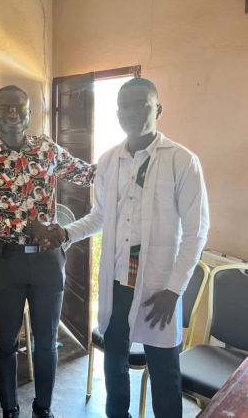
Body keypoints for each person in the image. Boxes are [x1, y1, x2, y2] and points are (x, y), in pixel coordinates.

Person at [42, 78, 210, 418]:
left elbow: (196, 232)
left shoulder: (182, 161)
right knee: (115, 362)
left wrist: (174, 291)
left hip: (159, 287)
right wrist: (65, 233)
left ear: (157, 109)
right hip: (118, 281)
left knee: (164, 370)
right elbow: (100, 216)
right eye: (124, 106)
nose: (131, 112)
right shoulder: (108, 161)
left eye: (141, 104)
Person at [0, 85, 97, 418]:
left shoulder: (46, 150)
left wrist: (129, 159)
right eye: (5, 109)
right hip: (6, 263)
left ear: (29, 114)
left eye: (19, 109)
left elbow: (85, 173)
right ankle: (10, 409)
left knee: (47, 341)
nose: (12, 115)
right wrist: (23, 228)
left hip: (48, 261)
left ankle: (43, 408)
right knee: (7, 342)